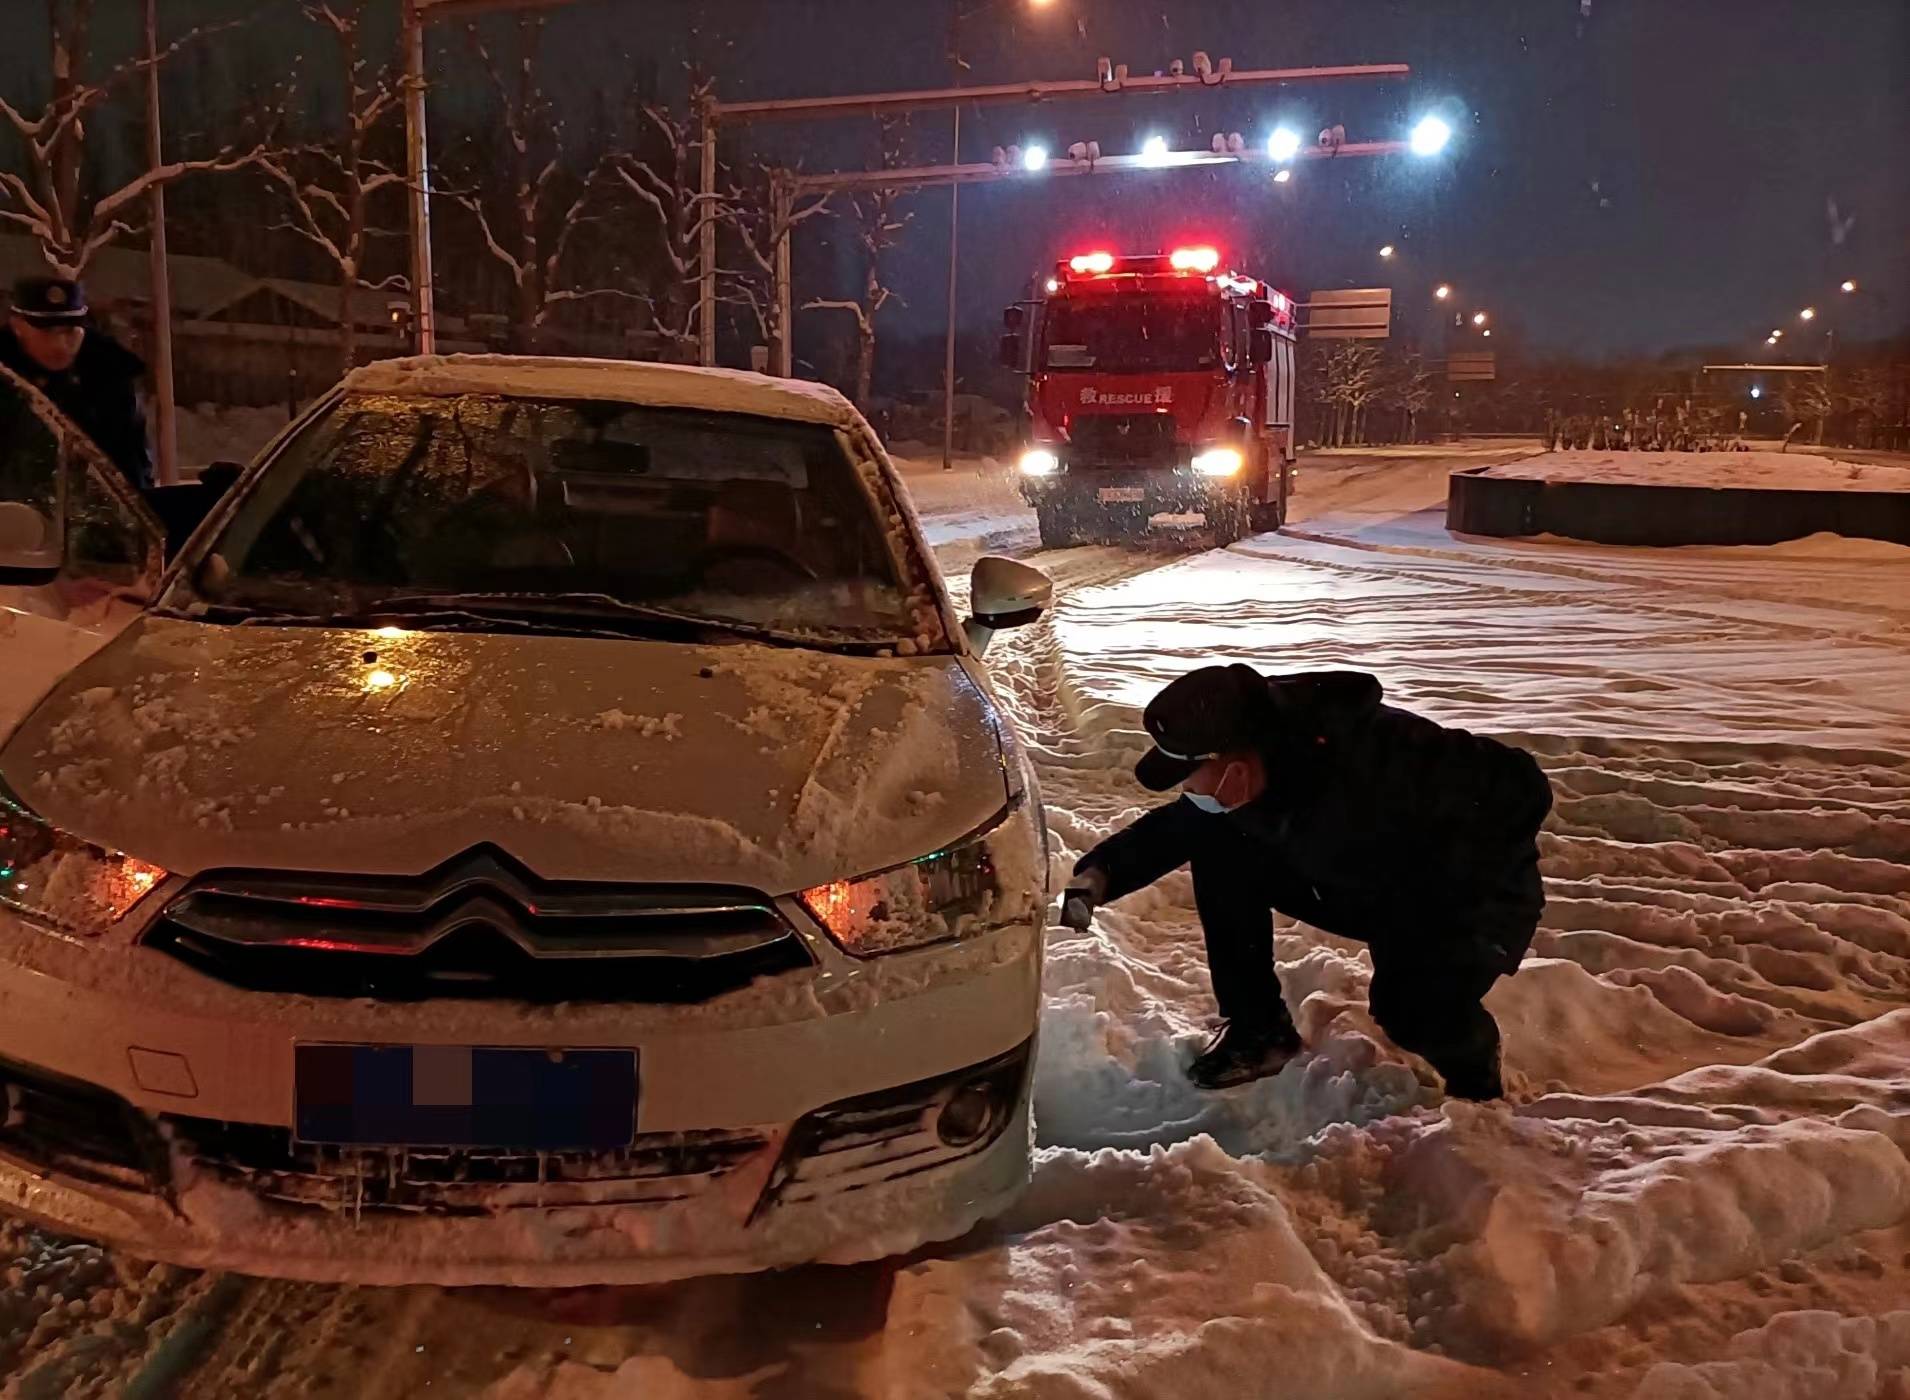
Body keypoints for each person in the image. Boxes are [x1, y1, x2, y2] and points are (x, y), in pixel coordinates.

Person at [1061, 664, 1552, 1100]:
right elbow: (1181, 825)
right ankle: (1260, 1031)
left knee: (1412, 1013)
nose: (1188, 791)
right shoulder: (1260, 765)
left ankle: (1476, 1078)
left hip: (1470, 903)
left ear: (1236, 764)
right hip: (1367, 882)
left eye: (1190, 777)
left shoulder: (1378, 760)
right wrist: (1099, 875)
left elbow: (1522, 784)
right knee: (1220, 841)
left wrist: (1438, 891)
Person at [0, 275, 152, 493]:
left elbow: (132, 467)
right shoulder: (4, 378)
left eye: (70, 331)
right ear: (17, 326)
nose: (61, 345)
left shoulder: (110, 374)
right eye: (47, 332)